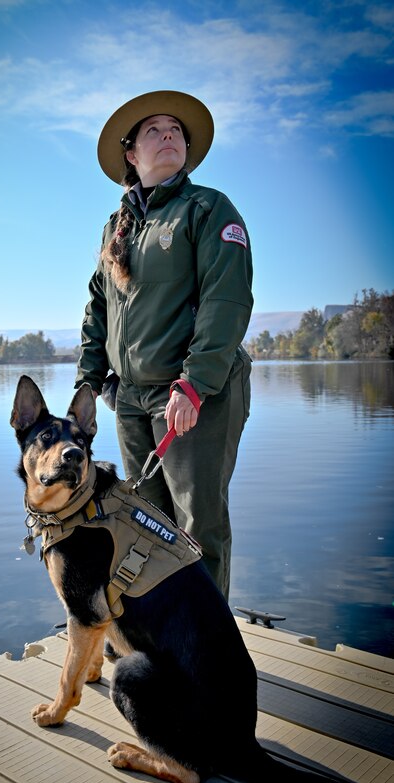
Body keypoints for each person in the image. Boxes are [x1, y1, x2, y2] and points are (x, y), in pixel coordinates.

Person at [75, 90, 253, 599]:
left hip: (195, 397)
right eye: (153, 130)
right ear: (132, 153)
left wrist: (194, 384)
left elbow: (227, 301)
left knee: (198, 527)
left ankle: (209, 654)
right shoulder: (117, 227)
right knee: (147, 525)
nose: (168, 135)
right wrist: (87, 390)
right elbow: (98, 312)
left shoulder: (209, 209)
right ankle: (164, 640)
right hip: (130, 400)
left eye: (175, 129)